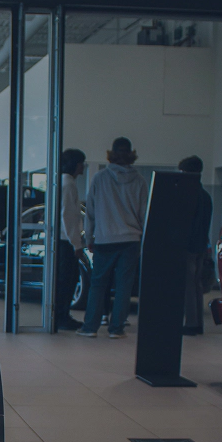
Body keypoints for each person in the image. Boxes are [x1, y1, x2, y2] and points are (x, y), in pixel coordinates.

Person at [77, 137, 148, 338]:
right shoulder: (140, 181)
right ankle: (116, 329)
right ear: (131, 154)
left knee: (98, 284)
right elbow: (144, 214)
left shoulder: (99, 179)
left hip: (104, 239)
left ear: (112, 154)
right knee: (124, 286)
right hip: (131, 240)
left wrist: (89, 237)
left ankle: (90, 327)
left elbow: (90, 212)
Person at [179, 155, 213, 335]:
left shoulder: (188, 196)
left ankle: (190, 324)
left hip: (189, 246)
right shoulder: (206, 196)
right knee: (197, 285)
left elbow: (186, 223)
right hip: (201, 245)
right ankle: (198, 323)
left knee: (188, 286)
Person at [56, 148, 86, 330]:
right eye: (81, 163)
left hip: (62, 240)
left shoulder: (61, 182)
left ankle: (61, 315)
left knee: (64, 280)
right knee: (67, 280)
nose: (83, 167)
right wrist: (76, 244)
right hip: (66, 241)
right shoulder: (69, 184)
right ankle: (62, 316)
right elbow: (68, 216)